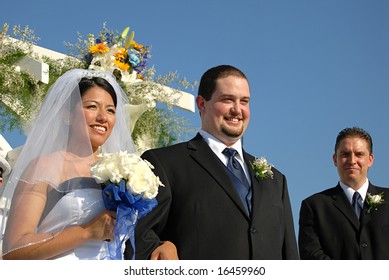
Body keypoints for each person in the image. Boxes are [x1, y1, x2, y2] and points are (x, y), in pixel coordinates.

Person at [125, 64, 299, 260]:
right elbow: (135, 233)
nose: (237, 110)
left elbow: (290, 255)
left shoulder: (276, 180)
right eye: (227, 100)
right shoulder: (164, 163)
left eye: (244, 101)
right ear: (202, 104)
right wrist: (161, 248)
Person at [0, 69, 174, 259]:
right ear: (67, 115)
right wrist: (86, 232)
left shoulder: (124, 170)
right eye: (92, 107)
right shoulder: (44, 166)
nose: (103, 117)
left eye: (110, 110)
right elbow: (13, 250)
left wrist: (165, 244)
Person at [298, 127, 389, 259]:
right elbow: (312, 258)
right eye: (345, 154)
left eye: (359, 154)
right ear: (335, 159)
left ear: (370, 160)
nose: (352, 161)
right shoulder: (314, 207)